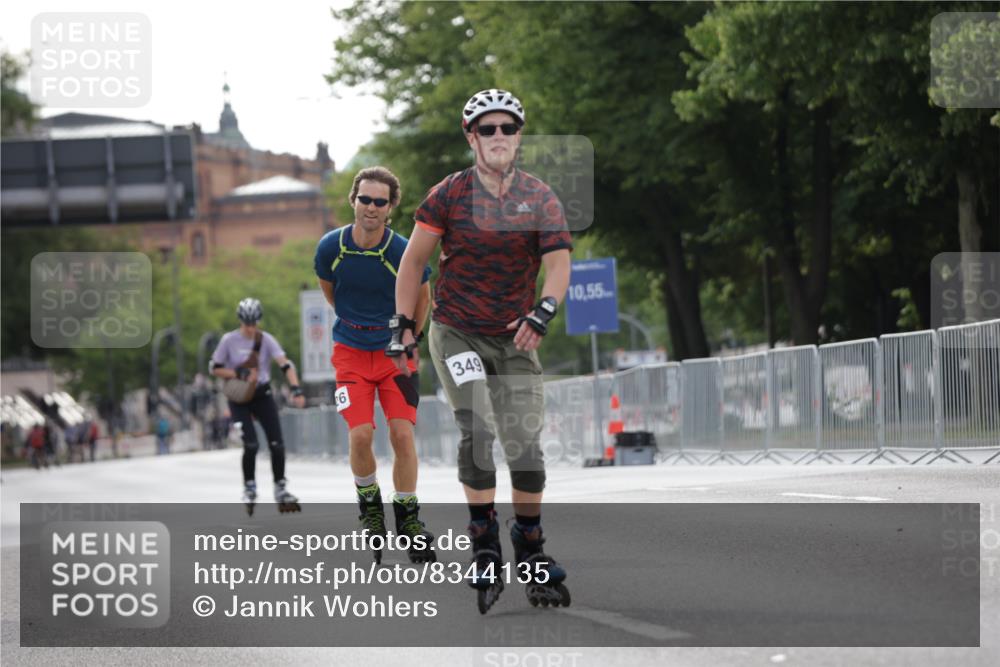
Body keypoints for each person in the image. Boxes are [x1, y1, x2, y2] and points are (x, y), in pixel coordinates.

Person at [391, 89, 573, 610]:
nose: (498, 137)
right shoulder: (448, 194)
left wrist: (545, 309)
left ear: (519, 136)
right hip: (457, 331)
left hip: (515, 333)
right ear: (471, 137)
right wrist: (404, 324)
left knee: (527, 450)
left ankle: (531, 545)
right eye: (487, 129)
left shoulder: (539, 197)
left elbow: (557, 262)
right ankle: (484, 540)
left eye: (508, 129)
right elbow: (413, 264)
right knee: (477, 429)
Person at [314, 165, 436, 563]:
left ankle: (408, 518)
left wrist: (409, 338)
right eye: (364, 199)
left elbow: (423, 297)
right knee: (361, 435)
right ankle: (369, 504)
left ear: (390, 208)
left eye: (379, 202)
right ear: (353, 201)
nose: (370, 207)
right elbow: (331, 292)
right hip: (349, 350)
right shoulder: (330, 247)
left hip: (395, 350)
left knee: (402, 435)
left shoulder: (402, 249)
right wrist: (358, 323)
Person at [210, 297, 306, 513]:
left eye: (254, 323)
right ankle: (249, 486)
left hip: (262, 394)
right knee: (251, 444)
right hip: (238, 398)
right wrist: (236, 372)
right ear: (240, 321)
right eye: (247, 323)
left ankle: (280, 487)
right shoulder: (229, 340)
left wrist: (296, 388)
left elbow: (285, 364)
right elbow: (214, 368)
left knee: (276, 444)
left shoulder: (266, 340)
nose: (251, 328)